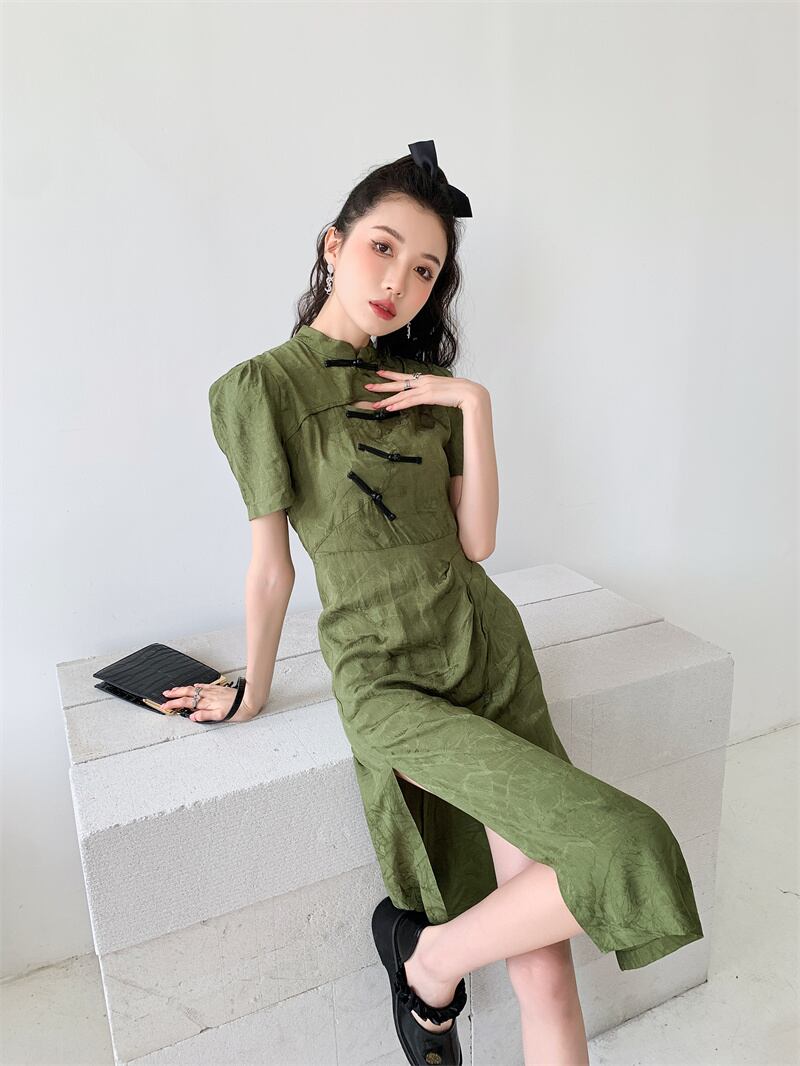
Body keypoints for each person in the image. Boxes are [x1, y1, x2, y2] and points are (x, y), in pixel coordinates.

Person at [161, 140, 704, 1066]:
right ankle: (431, 962)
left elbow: (477, 542)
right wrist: (252, 689)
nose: (398, 283)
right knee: (625, 844)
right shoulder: (259, 389)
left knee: (545, 972)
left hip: (489, 653)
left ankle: (430, 962)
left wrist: (474, 405)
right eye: (382, 249)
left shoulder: (425, 391)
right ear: (333, 244)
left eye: (424, 270)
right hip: (389, 676)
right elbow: (271, 569)